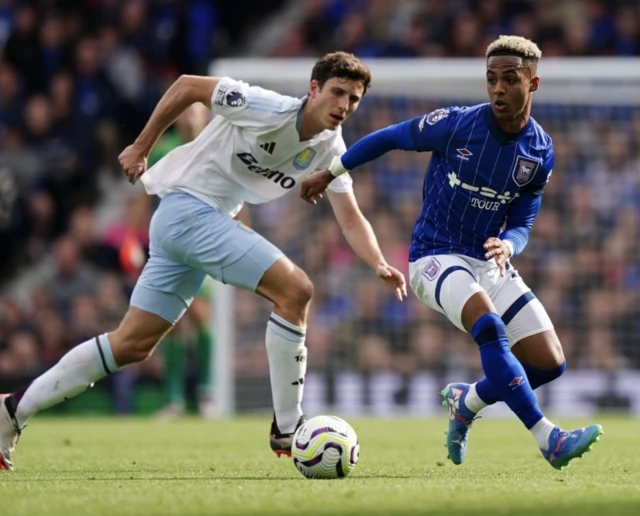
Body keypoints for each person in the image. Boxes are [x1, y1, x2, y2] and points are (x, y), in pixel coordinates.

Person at [0, 51, 407, 471]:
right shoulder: (267, 107)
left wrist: (378, 262)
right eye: (337, 93)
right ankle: (287, 427)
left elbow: (352, 217)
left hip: (190, 224)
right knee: (296, 289)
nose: (344, 106)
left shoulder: (330, 148)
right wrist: (141, 147)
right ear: (314, 89)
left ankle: (12, 410)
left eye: (354, 99)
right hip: (188, 212)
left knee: (132, 344)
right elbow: (187, 85)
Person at [300, 36, 602, 470]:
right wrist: (330, 173)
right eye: (491, 79)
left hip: (489, 262)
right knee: (491, 330)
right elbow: (390, 137)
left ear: (532, 84)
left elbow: (523, 220)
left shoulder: (540, 151)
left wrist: (510, 244)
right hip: (434, 257)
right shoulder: (456, 124)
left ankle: (468, 401)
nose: (498, 88)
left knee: (550, 363)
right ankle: (548, 437)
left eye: (510, 79)